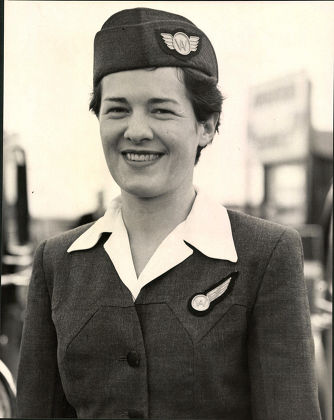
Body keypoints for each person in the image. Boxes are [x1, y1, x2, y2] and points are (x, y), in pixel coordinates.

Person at [16, 7, 321, 420]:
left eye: (161, 109)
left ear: (207, 126)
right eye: (118, 109)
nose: (136, 130)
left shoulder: (265, 254)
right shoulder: (56, 261)